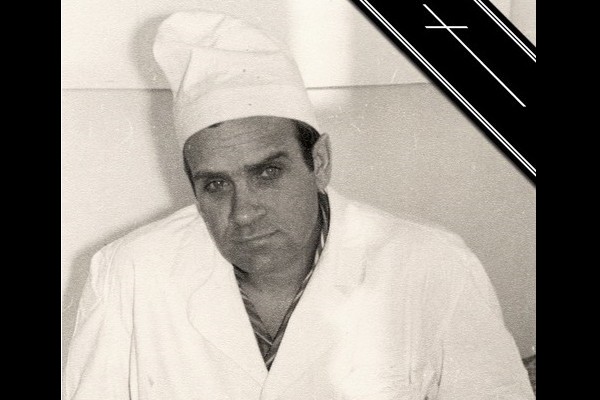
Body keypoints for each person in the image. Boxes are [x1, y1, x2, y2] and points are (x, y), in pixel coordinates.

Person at [65, 9, 535, 400]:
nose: (243, 212)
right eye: (216, 185)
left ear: (320, 162)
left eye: (267, 173)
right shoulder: (129, 272)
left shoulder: (432, 266)